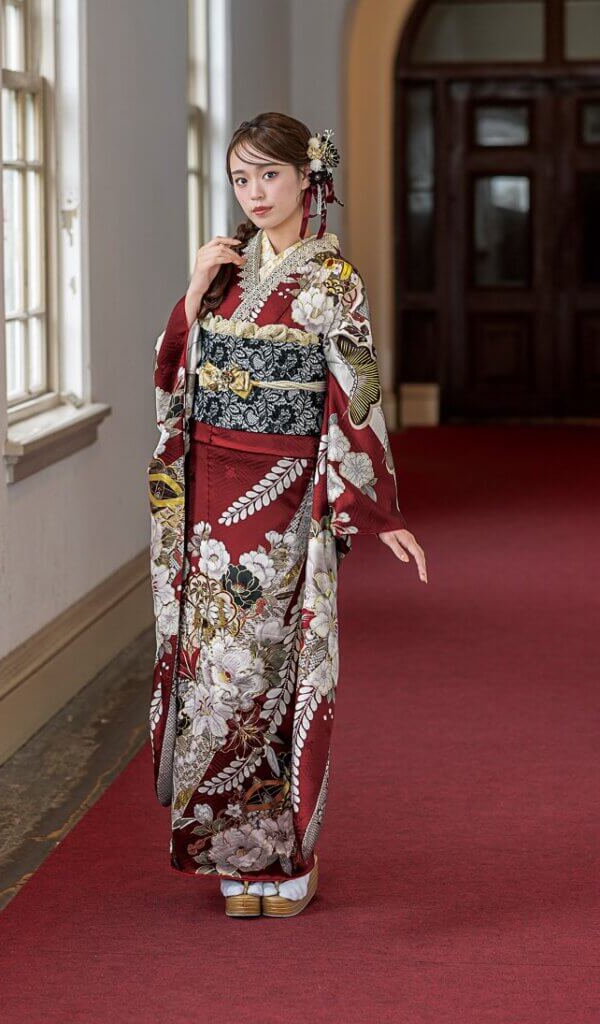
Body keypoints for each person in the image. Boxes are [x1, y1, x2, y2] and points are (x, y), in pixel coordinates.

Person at [147, 112, 427, 919]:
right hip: (209, 502)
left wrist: (378, 510)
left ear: (309, 178)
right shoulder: (225, 273)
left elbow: (356, 393)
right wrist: (194, 289)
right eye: (241, 178)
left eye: (270, 174)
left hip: (284, 499)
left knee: (273, 674)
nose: (255, 193)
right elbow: (174, 379)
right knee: (215, 678)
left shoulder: (333, 282)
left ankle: (286, 858)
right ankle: (231, 855)